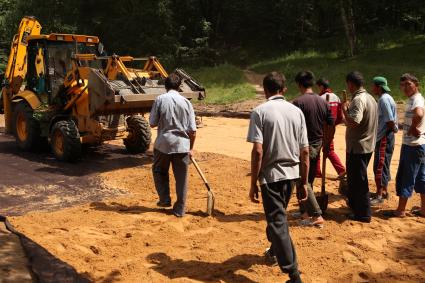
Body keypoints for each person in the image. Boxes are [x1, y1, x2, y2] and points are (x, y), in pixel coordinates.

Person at [247, 72, 308, 283]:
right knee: (277, 218)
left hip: (271, 176)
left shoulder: (259, 111)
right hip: (292, 174)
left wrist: (253, 181)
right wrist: (303, 182)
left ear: (265, 90)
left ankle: (293, 274)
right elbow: (305, 152)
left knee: (277, 221)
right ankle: (275, 248)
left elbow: (257, 151)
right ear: (283, 89)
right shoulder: (296, 112)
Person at [149, 73, 197, 217]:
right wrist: (191, 149)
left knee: (159, 170)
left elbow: (152, 123)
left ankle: (164, 199)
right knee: (182, 178)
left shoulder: (160, 100)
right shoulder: (187, 102)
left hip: (163, 144)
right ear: (179, 86)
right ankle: (180, 209)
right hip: (183, 146)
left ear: (165, 86)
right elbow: (192, 131)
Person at [293, 71, 334, 228]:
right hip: (318, 143)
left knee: (302, 180)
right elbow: (331, 123)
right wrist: (327, 141)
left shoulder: (298, 103)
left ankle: (316, 215)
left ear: (299, 85)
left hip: (304, 146)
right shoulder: (323, 101)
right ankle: (304, 211)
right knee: (307, 179)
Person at [386, 73, 425, 218]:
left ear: (416, 84)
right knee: (421, 177)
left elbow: (419, 114)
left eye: (408, 84)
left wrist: (414, 128)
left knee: (406, 177)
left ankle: (401, 210)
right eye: (403, 85)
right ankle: (423, 210)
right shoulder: (414, 99)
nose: (405, 87)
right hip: (419, 145)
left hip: (413, 146)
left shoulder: (416, 100)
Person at [342, 71, 378, 223]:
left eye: (347, 84)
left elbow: (354, 122)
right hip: (366, 145)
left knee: (359, 181)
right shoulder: (370, 97)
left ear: (351, 83)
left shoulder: (358, 99)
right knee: (357, 179)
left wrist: (344, 110)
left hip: (358, 147)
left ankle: (363, 214)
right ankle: (357, 208)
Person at [370, 76, 398, 206]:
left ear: (378, 87)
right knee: (384, 164)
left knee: (379, 166)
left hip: (384, 136)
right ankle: (384, 191)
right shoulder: (387, 98)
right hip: (386, 136)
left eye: (373, 86)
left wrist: (391, 131)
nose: (372, 88)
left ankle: (379, 195)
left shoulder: (384, 100)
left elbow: (390, 120)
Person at [315, 78, 346, 180]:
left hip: (321, 128)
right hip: (331, 128)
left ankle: (319, 172)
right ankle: (339, 170)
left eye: (318, 87)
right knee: (328, 149)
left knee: (318, 150)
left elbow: (317, 116)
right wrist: (333, 125)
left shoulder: (320, 98)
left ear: (322, 87)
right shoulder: (336, 97)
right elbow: (340, 116)